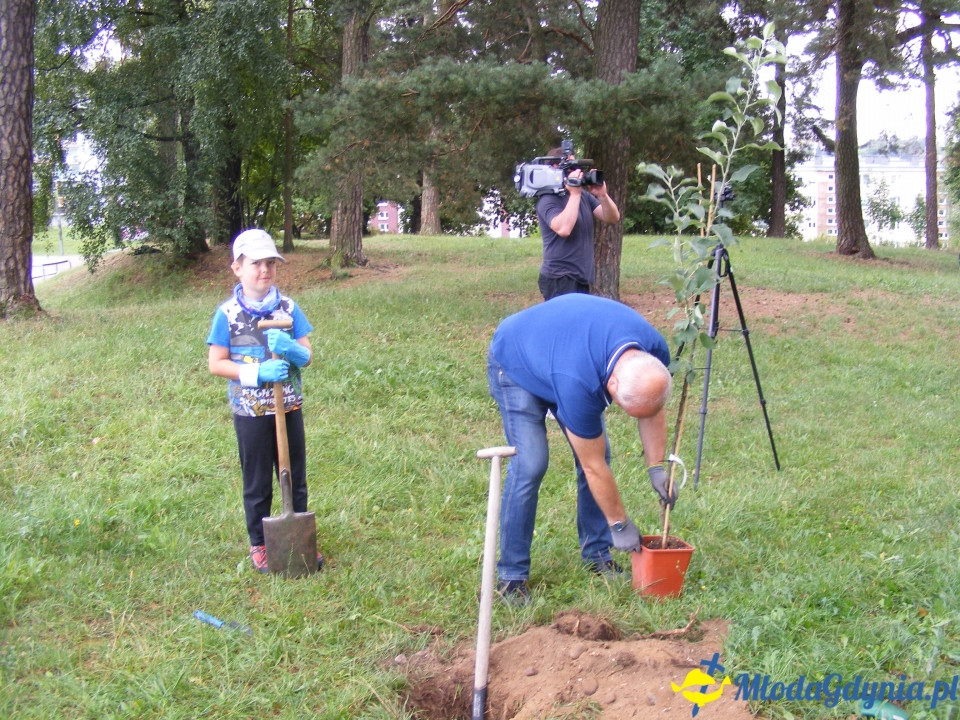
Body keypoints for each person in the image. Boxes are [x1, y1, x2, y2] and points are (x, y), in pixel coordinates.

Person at [486, 294, 675, 603]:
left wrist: (656, 467)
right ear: (612, 386)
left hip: (561, 351)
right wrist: (619, 524)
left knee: (600, 454)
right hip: (517, 359)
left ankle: (596, 554)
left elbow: (653, 407)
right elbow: (593, 466)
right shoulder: (579, 383)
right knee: (531, 464)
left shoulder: (653, 353)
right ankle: (511, 577)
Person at [206, 228, 322, 573]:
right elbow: (216, 363)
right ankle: (260, 543)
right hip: (250, 412)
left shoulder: (288, 308)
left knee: (294, 477)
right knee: (257, 481)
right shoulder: (228, 314)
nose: (264, 270)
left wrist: (292, 350)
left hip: (288, 406)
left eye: (270, 263)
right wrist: (256, 373)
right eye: (256, 263)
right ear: (237, 268)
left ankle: (299, 537)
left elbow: (307, 356)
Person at [535, 146, 620, 300]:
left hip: (581, 278)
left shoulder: (583, 196)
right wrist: (574, 194)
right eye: (572, 167)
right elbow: (563, 229)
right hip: (559, 278)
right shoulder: (547, 199)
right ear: (556, 168)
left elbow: (612, 217)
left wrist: (603, 196)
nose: (577, 170)